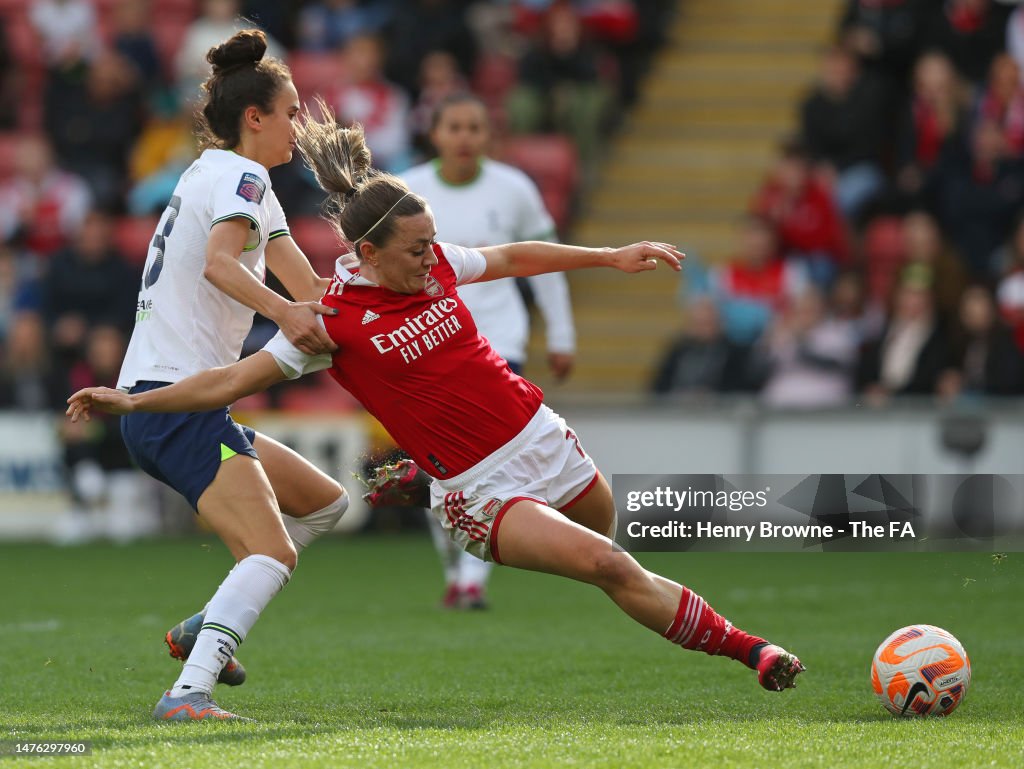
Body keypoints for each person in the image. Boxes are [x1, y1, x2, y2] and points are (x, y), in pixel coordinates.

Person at [68, 108, 805, 711]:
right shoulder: (332, 324)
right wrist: (131, 400)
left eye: (432, 246)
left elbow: (512, 258)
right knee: (609, 563)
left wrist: (611, 255)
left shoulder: (436, 263)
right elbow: (226, 384)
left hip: (541, 434)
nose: (432, 260)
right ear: (369, 253)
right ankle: (754, 650)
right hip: (484, 487)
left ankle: (419, 478)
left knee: (604, 535)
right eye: (416, 251)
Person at [95, 30, 350, 721]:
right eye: (291, 112)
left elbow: (308, 287)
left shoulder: (233, 181)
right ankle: (187, 694)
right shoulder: (242, 176)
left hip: (182, 403)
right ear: (254, 118)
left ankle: (204, 626)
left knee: (325, 503)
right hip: (173, 403)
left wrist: (356, 319)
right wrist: (287, 319)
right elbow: (219, 264)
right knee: (271, 553)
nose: (300, 125)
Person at [401, 92, 576, 610]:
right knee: (440, 469)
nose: (464, 137)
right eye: (454, 126)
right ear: (434, 134)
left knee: (492, 469)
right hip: (429, 346)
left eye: (474, 127)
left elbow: (540, 262)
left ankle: (471, 583)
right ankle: (458, 572)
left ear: (488, 136)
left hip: (497, 341)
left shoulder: (514, 189)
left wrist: (561, 334)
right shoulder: (408, 190)